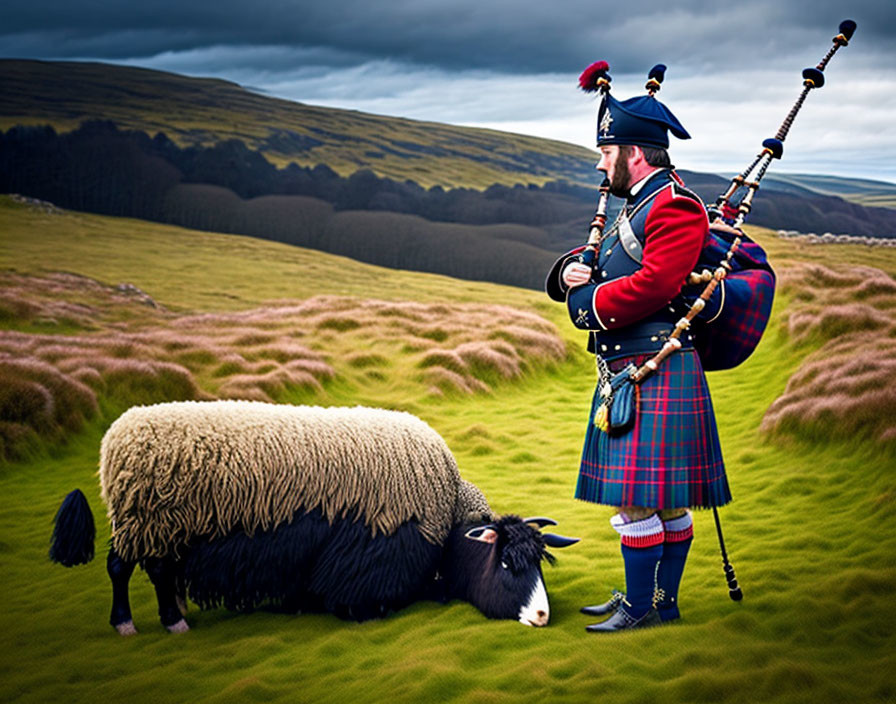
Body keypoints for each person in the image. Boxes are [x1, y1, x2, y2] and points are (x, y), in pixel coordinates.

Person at [545, 64, 731, 631]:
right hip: (630, 369)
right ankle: (655, 601)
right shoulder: (636, 206)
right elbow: (605, 262)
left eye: (607, 152)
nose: (602, 163)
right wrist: (570, 275)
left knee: (640, 502)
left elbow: (657, 285)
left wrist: (588, 305)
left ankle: (644, 606)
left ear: (635, 152)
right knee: (663, 500)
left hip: (655, 366)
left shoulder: (674, 205)